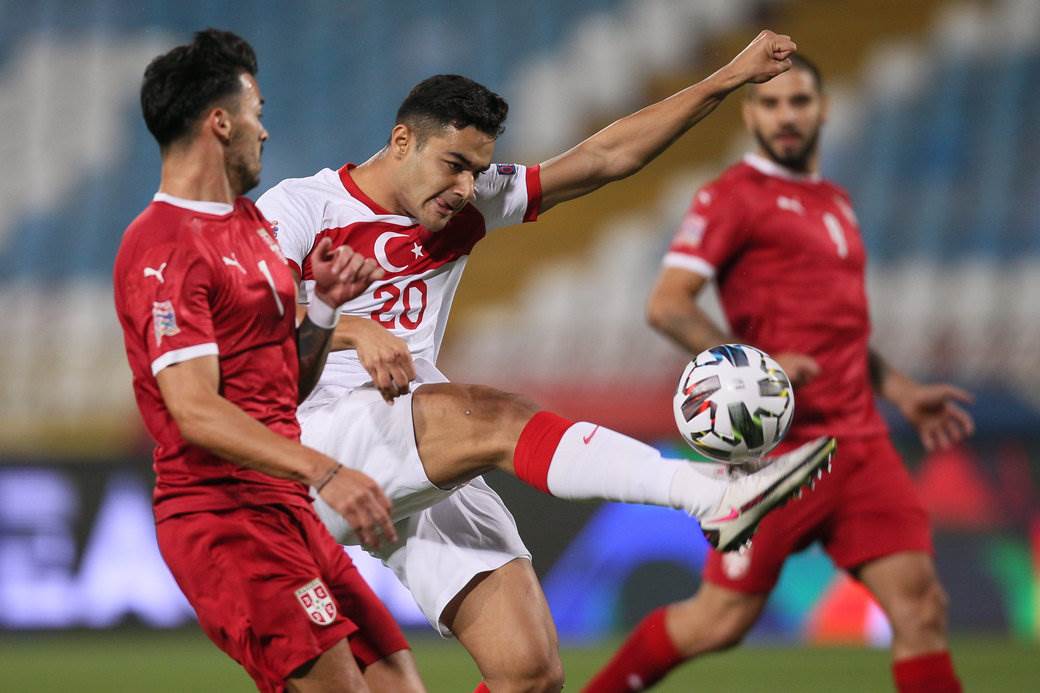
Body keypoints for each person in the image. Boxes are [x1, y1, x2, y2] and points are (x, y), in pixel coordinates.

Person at [257, 31, 835, 692]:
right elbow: (250, 325)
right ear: (400, 142)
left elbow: (605, 156)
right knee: (494, 415)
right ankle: (710, 493)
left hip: (410, 439)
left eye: (477, 169)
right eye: (452, 164)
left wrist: (723, 80)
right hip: (310, 444)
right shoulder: (299, 209)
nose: (465, 187)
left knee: (529, 671)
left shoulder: (465, 207)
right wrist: (352, 328)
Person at [583, 54, 973, 693]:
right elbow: (668, 304)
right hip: (779, 454)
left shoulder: (835, 201)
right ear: (749, 113)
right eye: (771, 103)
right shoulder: (733, 195)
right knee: (717, 622)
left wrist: (902, 390)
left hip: (863, 443)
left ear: (822, 110)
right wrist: (753, 366)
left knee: (922, 608)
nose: (785, 115)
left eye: (798, 102)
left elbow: (841, 330)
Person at [113, 29, 426, 693]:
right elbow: (194, 408)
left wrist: (322, 311)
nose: (266, 132)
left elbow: (286, 383)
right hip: (222, 517)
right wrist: (329, 468)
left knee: (399, 679)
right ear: (219, 122)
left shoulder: (253, 227)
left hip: (287, 507)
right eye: (257, 112)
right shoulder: (162, 244)